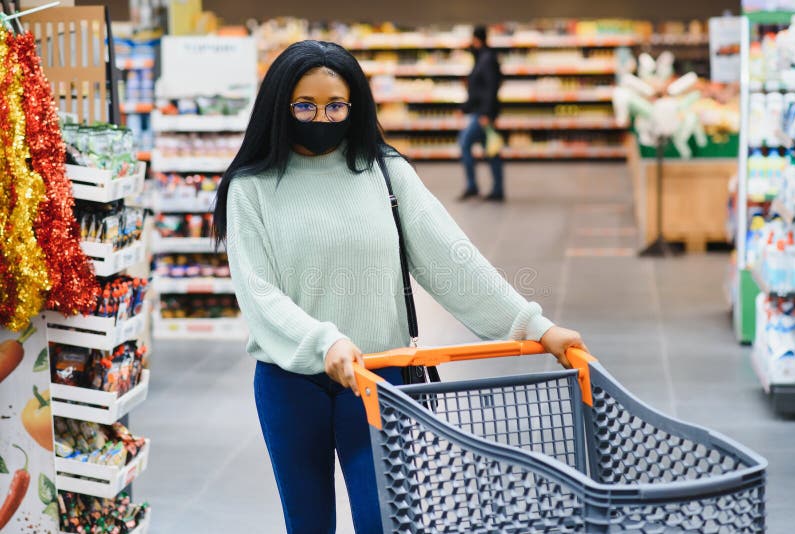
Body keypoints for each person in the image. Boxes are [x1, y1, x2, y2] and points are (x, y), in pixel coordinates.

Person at [212, 40, 586, 534]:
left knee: (383, 521)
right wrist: (326, 343)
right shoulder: (251, 188)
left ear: (355, 106)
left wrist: (536, 326)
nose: (321, 118)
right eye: (305, 105)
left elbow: (454, 261)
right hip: (290, 383)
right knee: (307, 524)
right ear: (280, 107)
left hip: (380, 377)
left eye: (336, 105)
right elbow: (259, 294)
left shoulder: (385, 172)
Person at [458, 25, 504, 202]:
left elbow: (490, 89)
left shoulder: (486, 59)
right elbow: (478, 89)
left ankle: (472, 186)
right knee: (491, 149)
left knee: (465, 142)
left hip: (483, 114)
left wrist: (486, 113)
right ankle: (497, 189)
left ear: (476, 39)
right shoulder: (482, 57)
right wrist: (465, 108)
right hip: (480, 112)